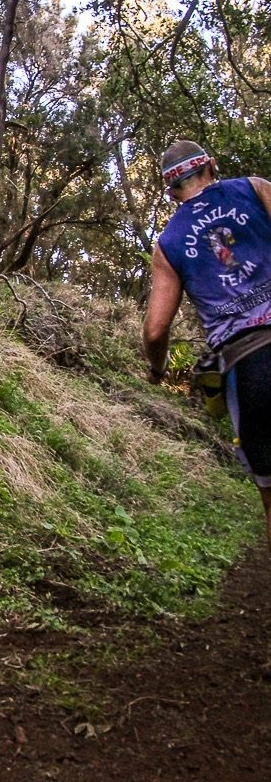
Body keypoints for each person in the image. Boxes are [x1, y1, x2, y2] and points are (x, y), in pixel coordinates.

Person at [142, 140, 271, 550]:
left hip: (248, 365)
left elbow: (155, 331)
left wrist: (158, 371)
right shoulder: (255, 188)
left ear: (170, 190)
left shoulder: (169, 244)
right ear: (211, 166)